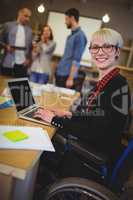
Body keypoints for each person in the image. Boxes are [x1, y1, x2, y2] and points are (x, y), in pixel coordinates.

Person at [34, 28, 131, 163]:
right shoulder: (107, 81)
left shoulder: (118, 86)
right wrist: (68, 114)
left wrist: (54, 119)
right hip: (86, 144)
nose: (100, 52)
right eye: (95, 47)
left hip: (89, 155)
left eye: (107, 47)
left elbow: (95, 133)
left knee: (39, 146)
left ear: (117, 52)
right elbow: (94, 117)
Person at [55, 8, 87, 90]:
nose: (65, 22)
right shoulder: (71, 36)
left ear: (72, 18)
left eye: (66, 19)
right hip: (61, 74)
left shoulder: (80, 36)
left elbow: (76, 60)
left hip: (66, 77)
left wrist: (70, 78)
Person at [0, 8, 32, 77]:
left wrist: (28, 58)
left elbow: (30, 47)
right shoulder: (8, 25)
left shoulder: (29, 30)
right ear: (19, 14)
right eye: (25, 16)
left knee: (18, 86)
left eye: (29, 17)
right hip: (8, 61)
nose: (27, 19)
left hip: (22, 64)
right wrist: (6, 46)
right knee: (4, 85)